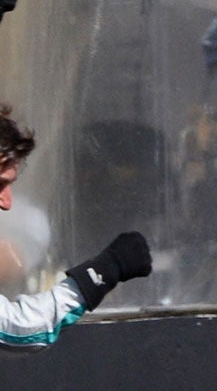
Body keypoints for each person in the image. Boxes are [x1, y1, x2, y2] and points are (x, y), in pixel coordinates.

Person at [0, 107, 152, 349]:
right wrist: (102, 272)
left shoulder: (32, 221)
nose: (7, 202)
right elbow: (16, 329)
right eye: (0, 184)